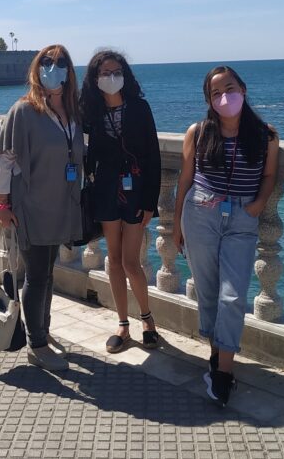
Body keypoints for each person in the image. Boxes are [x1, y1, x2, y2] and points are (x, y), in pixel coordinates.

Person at [174, 66, 279, 406]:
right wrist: (177, 224)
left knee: (232, 297)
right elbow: (185, 180)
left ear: (243, 89)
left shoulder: (266, 135)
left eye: (229, 89)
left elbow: (269, 175)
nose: (224, 97)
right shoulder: (199, 132)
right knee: (207, 291)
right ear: (209, 100)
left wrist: (258, 204)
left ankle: (222, 372)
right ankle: (217, 358)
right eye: (215, 93)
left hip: (241, 220)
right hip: (200, 214)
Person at [0, 44, 84, 371]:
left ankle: (42, 331)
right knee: (36, 275)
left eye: (60, 63)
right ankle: (37, 344)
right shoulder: (24, 111)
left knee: (47, 273)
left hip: (60, 205)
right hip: (31, 205)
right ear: (36, 68)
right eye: (46, 62)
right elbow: (5, 160)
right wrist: (2, 204)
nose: (53, 68)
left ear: (69, 71)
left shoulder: (71, 112)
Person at [79, 49, 162, 354]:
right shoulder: (90, 112)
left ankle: (147, 319)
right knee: (113, 259)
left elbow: (153, 156)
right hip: (104, 190)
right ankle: (123, 324)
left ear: (124, 75)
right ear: (95, 78)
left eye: (116, 72)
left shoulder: (139, 108)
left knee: (131, 260)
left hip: (136, 190)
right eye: (104, 73)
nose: (111, 78)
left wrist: (151, 202)